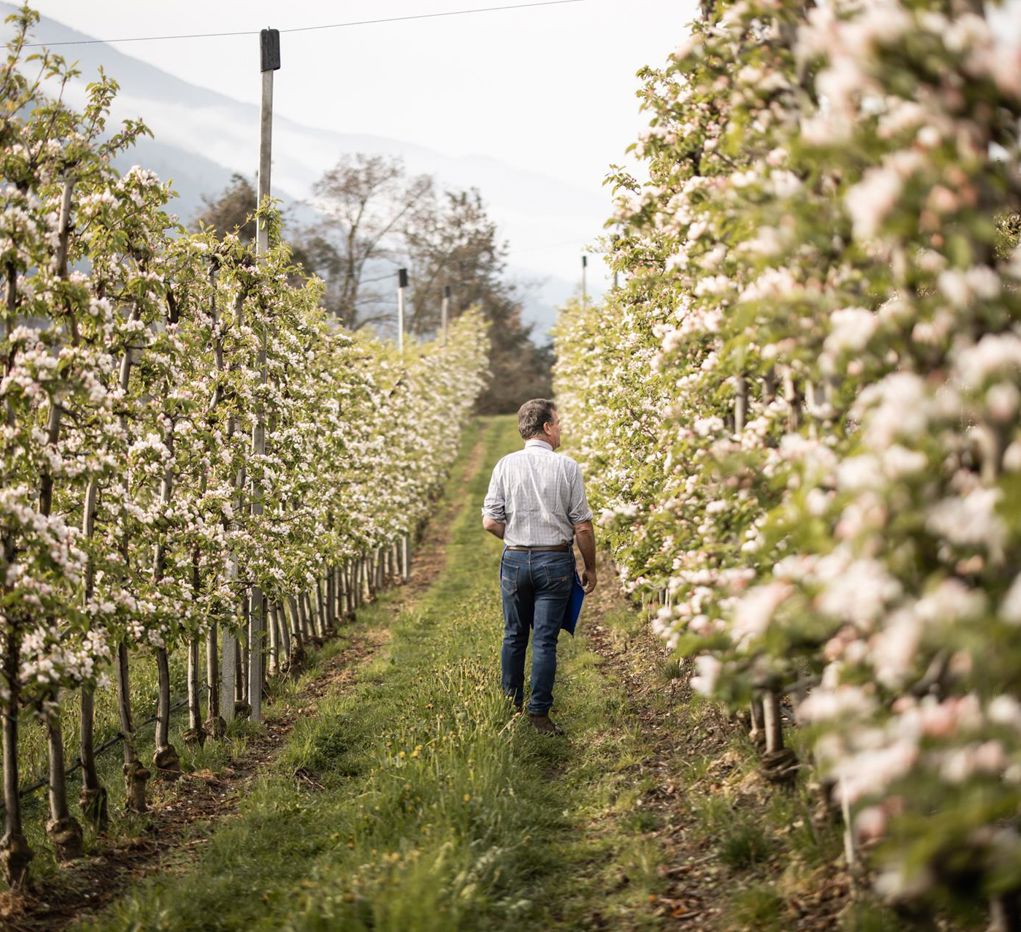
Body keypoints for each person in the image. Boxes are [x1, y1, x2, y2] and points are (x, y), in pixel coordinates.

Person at [481, 399, 597, 735]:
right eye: (557, 423)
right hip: (555, 560)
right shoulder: (567, 467)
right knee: (545, 640)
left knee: (514, 635)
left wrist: (516, 536)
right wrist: (590, 566)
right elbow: (583, 527)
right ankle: (539, 715)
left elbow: (490, 522)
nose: (560, 429)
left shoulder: (504, 465)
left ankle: (510, 706)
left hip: (515, 560)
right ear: (546, 427)